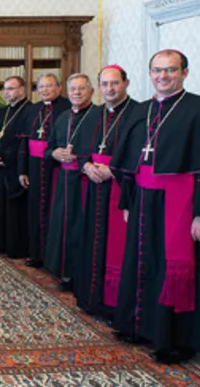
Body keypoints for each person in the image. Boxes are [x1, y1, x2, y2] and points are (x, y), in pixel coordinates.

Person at [111, 49, 200, 364]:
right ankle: (139, 325)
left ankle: (177, 341)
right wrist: (128, 201)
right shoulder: (139, 111)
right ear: (149, 73)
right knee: (142, 263)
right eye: (156, 70)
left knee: (174, 269)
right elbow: (127, 164)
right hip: (143, 200)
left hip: (181, 205)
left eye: (170, 70)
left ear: (185, 72)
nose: (162, 76)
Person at [74, 65, 135, 317]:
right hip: (92, 187)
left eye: (115, 83)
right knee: (91, 240)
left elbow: (140, 154)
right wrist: (86, 165)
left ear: (126, 83)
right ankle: (91, 299)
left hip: (121, 189)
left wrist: (113, 170)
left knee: (116, 247)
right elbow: (79, 149)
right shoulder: (93, 115)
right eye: (105, 84)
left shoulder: (138, 114)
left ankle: (113, 304)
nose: (109, 89)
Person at [43, 74, 96, 289]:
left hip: (86, 182)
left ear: (91, 91)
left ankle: (81, 275)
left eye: (81, 88)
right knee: (62, 225)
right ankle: (63, 272)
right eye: (72, 89)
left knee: (81, 227)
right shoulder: (62, 117)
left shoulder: (98, 116)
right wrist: (55, 153)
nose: (76, 93)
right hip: (63, 180)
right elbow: (49, 147)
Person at [19, 74, 70, 265]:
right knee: (34, 210)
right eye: (41, 87)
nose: (44, 90)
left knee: (53, 211)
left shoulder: (66, 108)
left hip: (55, 168)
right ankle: (35, 253)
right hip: (33, 167)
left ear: (58, 87)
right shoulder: (32, 110)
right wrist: (22, 170)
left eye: (49, 86)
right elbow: (24, 142)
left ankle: (53, 257)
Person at [0, 76, 31, 255]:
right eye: (5, 89)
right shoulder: (0, 112)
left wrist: (6, 157)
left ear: (22, 90)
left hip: (17, 167)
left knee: (15, 210)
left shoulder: (30, 111)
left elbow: (24, 142)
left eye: (11, 89)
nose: (7, 92)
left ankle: (15, 247)